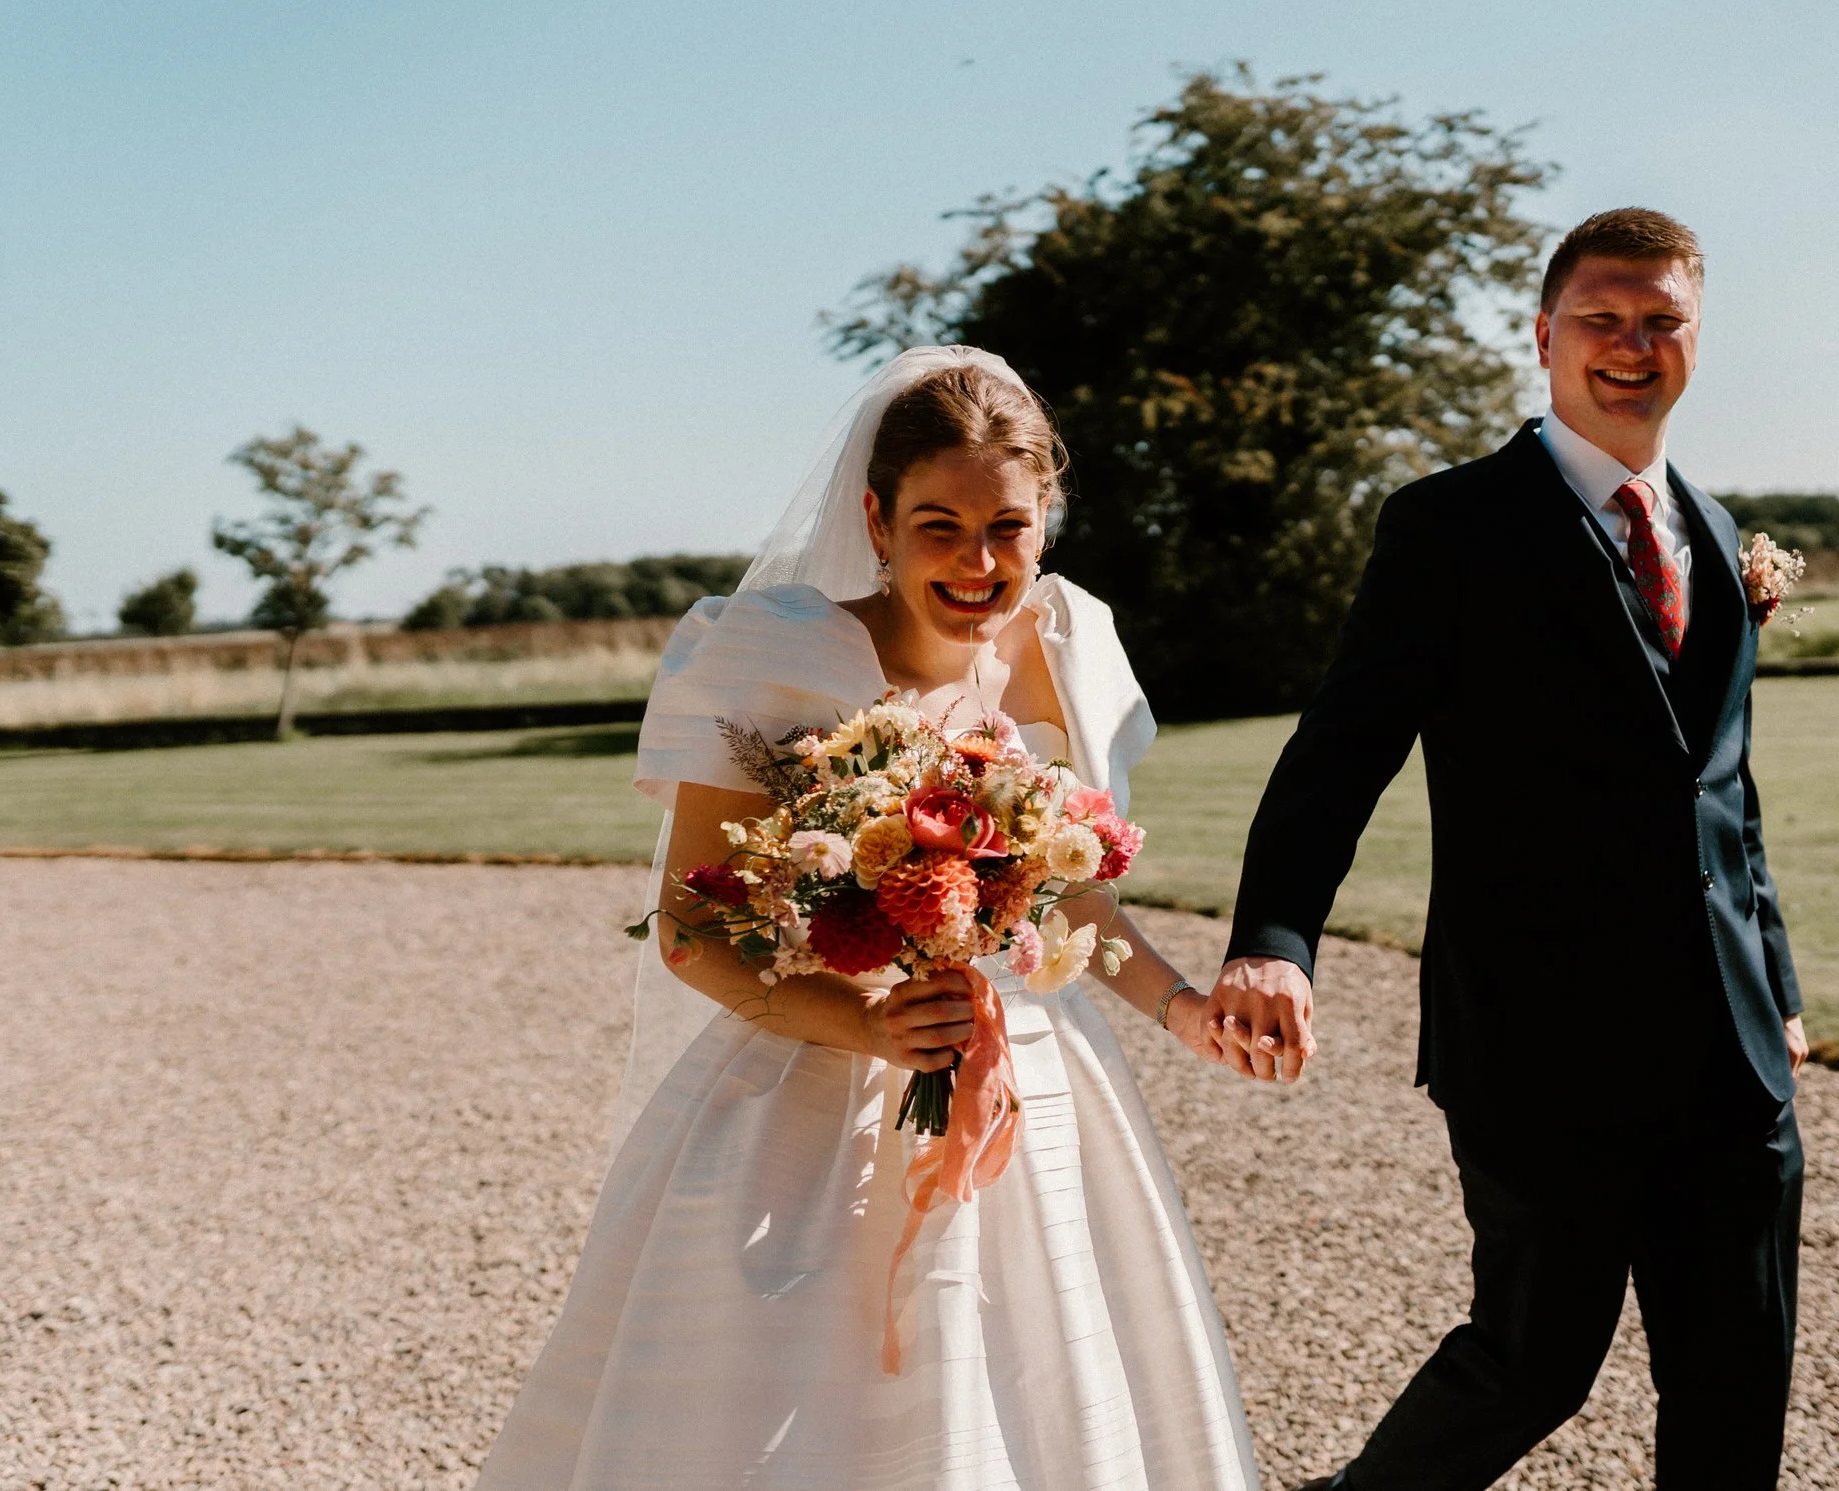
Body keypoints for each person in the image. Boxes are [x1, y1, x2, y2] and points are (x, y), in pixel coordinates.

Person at [475, 347, 1260, 1491]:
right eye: (938, 523)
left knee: (1036, 1386)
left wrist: (1181, 1006)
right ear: (875, 518)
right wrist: (871, 1027)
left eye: (1009, 525)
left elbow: (1081, 904)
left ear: (1049, 520)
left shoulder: (1076, 646)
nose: (979, 561)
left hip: (1038, 1092)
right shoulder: (772, 651)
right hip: (813, 1081)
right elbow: (693, 927)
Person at [1212, 210, 1811, 1490]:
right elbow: (1340, 749)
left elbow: (1726, 791)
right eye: (1603, 318)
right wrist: (1274, 938)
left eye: (1661, 321)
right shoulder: (1450, 525)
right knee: (1534, 1357)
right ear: (1545, 336)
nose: (1632, 345)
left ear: (1696, 341)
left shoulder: (1714, 529)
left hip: (1731, 1040)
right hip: (1544, 1037)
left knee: (1738, 1365)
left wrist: (1782, 983)